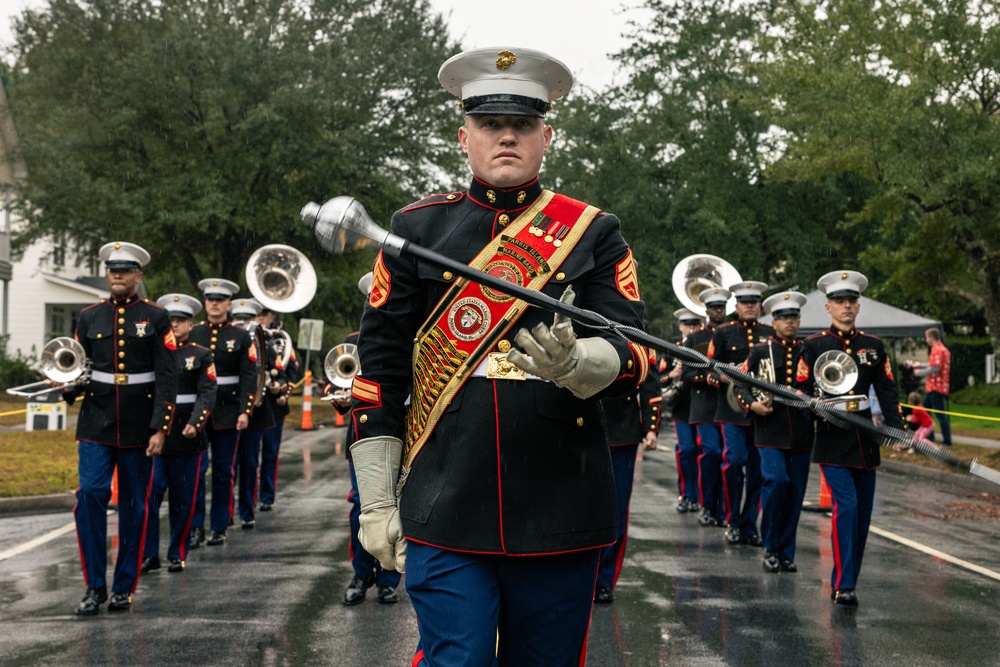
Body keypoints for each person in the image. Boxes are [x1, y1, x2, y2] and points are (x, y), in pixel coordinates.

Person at [349, 47, 648, 665]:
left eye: (523, 125)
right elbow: (378, 375)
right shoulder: (413, 232)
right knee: (458, 658)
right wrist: (377, 500)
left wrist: (582, 363)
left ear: (547, 136)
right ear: (465, 137)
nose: (506, 135)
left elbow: (638, 352)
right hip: (443, 498)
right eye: (489, 124)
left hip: (561, 497)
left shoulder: (591, 231)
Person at [66, 242, 178, 615]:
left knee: (133, 504)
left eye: (125, 270)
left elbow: (166, 375)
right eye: (112, 269)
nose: (117, 275)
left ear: (138, 276)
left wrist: (161, 427)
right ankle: (94, 585)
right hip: (96, 421)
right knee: (91, 496)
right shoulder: (88, 317)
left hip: (139, 424)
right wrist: (67, 384)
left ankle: (123, 586)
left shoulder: (157, 317)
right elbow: (77, 369)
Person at [797, 270, 904, 607]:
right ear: (827, 307)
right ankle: (843, 585)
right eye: (840, 301)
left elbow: (887, 389)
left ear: (858, 306)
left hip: (865, 442)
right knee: (847, 507)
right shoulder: (814, 346)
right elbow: (799, 392)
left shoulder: (872, 346)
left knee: (862, 516)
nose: (846, 306)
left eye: (851, 301)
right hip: (831, 440)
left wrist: (896, 427)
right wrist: (814, 407)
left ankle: (848, 579)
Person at [332, 271, 403, 606]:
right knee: (362, 507)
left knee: (401, 506)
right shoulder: (352, 338)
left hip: (406, 428)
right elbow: (339, 381)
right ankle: (361, 574)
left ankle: (390, 578)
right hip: (363, 434)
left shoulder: (415, 336)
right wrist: (343, 400)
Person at [735, 291, 812, 574]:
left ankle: (786, 552)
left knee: (794, 493)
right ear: (774, 321)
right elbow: (739, 385)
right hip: (769, 431)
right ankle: (770, 546)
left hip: (802, 433)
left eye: (794, 317)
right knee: (776, 482)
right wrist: (753, 405)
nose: (790, 322)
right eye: (783, 317)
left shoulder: (809, 351)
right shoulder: (760, 351)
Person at [142, 293, 217, 574]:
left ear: (190, 324)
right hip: (156, 435)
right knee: (151, 495)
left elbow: (207, 392)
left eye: (181, 320)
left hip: (187, 436)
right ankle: (150, 554)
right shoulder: (154, 352)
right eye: (170, 319)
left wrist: (196, 422)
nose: (174, 324)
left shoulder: (200, 354)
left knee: (182, 499)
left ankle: (177, 552)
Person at [188, 279, 258, 547]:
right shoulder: (193, 334)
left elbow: (249, 377)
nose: (214, 304)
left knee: (223, 471)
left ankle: (219, 525)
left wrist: (245, 410)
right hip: (196, 412)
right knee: (196, 471)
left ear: (229, 304)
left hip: (228, 412)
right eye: (210, 299)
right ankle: (195, 527)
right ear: (205, 303)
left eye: (220, 300)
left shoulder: (241, 337)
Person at [708, 280, 773, 547]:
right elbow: (709, 369)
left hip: (762, 412)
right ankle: (733, 520)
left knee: (759, 471)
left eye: (754, 303)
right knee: (734, 462)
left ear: (759, 306)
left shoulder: (770, 332)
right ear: (736, 306)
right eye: (745, 303)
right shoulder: (723, 332)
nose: (750, 307)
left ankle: (749, 526)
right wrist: (727, 377)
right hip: (732, 409)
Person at [594, 352, 661, 603]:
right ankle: (580, 575)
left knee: (617, 507)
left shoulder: (636, 328)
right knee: (582, 505)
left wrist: (651, 427)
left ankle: (604, 580)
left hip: (623, 428)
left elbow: (649, 379)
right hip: (583, 421)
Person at [684, 288, 730, 529]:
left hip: (731, 405)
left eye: (722, 307)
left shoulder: (732, 333)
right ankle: (706, 505)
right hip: (705, 406)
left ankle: (722, 509)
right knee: (711, 453)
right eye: (715, 307)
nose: (719, 311)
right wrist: (710, 378)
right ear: (707, 310)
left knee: (729, 459)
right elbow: (687, 374)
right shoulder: (694, 338)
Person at [230, 297, 274, 530]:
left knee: (248, 462)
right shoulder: (223, 338)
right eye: (238, 319)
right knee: (227, 465)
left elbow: (271, 368)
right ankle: (225, 514)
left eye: (246, 319)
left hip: (254, 410)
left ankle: (246, 511)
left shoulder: (264, 341)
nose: (242, 324)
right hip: (227, 408)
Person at [257, 307, 300, 512]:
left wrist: (283, 391)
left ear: (272, 317)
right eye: (257, 315)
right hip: (253, 405)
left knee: (270, 452)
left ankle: (267, 496)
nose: (260, 319)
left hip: (274, 405)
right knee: (246, 455)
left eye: (264, 315)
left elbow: (291, 371)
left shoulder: (282, 341)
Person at [667, 307, 704, 513]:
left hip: (700, 405)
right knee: (687, 449)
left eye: (696, 324)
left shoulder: (705, 347)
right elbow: (659, 378)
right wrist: (672, 374)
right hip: (681, 407)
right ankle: (685, 493)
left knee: (702, 451)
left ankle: (698, 496)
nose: (692, 328)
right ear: (681, 326)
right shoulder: (673, 350)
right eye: (688, 324)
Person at [909, 328, 952, 446]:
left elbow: (936, 368)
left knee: (939, 415)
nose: (926, 339)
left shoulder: (938, 349)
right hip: (935, 387)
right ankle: (929, 437)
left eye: (927, 337)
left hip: (936, 387)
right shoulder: (940, 349)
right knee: (925, 412)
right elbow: (932, 364)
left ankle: (947, 441)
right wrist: (920, 365)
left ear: (931, 337)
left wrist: (919, 373)